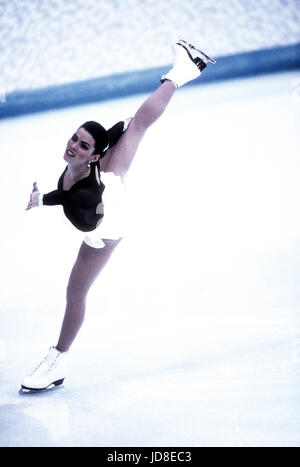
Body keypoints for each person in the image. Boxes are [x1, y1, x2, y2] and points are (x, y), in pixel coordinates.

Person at [21, 40, 215, 391]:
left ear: (94, 157)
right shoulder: (84, 165)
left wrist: (46, 200)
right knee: (134, 124)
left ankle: (57, 361)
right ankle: (185, 69)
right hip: (100, 205)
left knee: (75, 292)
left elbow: (73, 202)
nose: (73, 146)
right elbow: (106, 140)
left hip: (110, 218)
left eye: (82, 145)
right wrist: (118, 129)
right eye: (74, 138)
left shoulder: (88, 186)